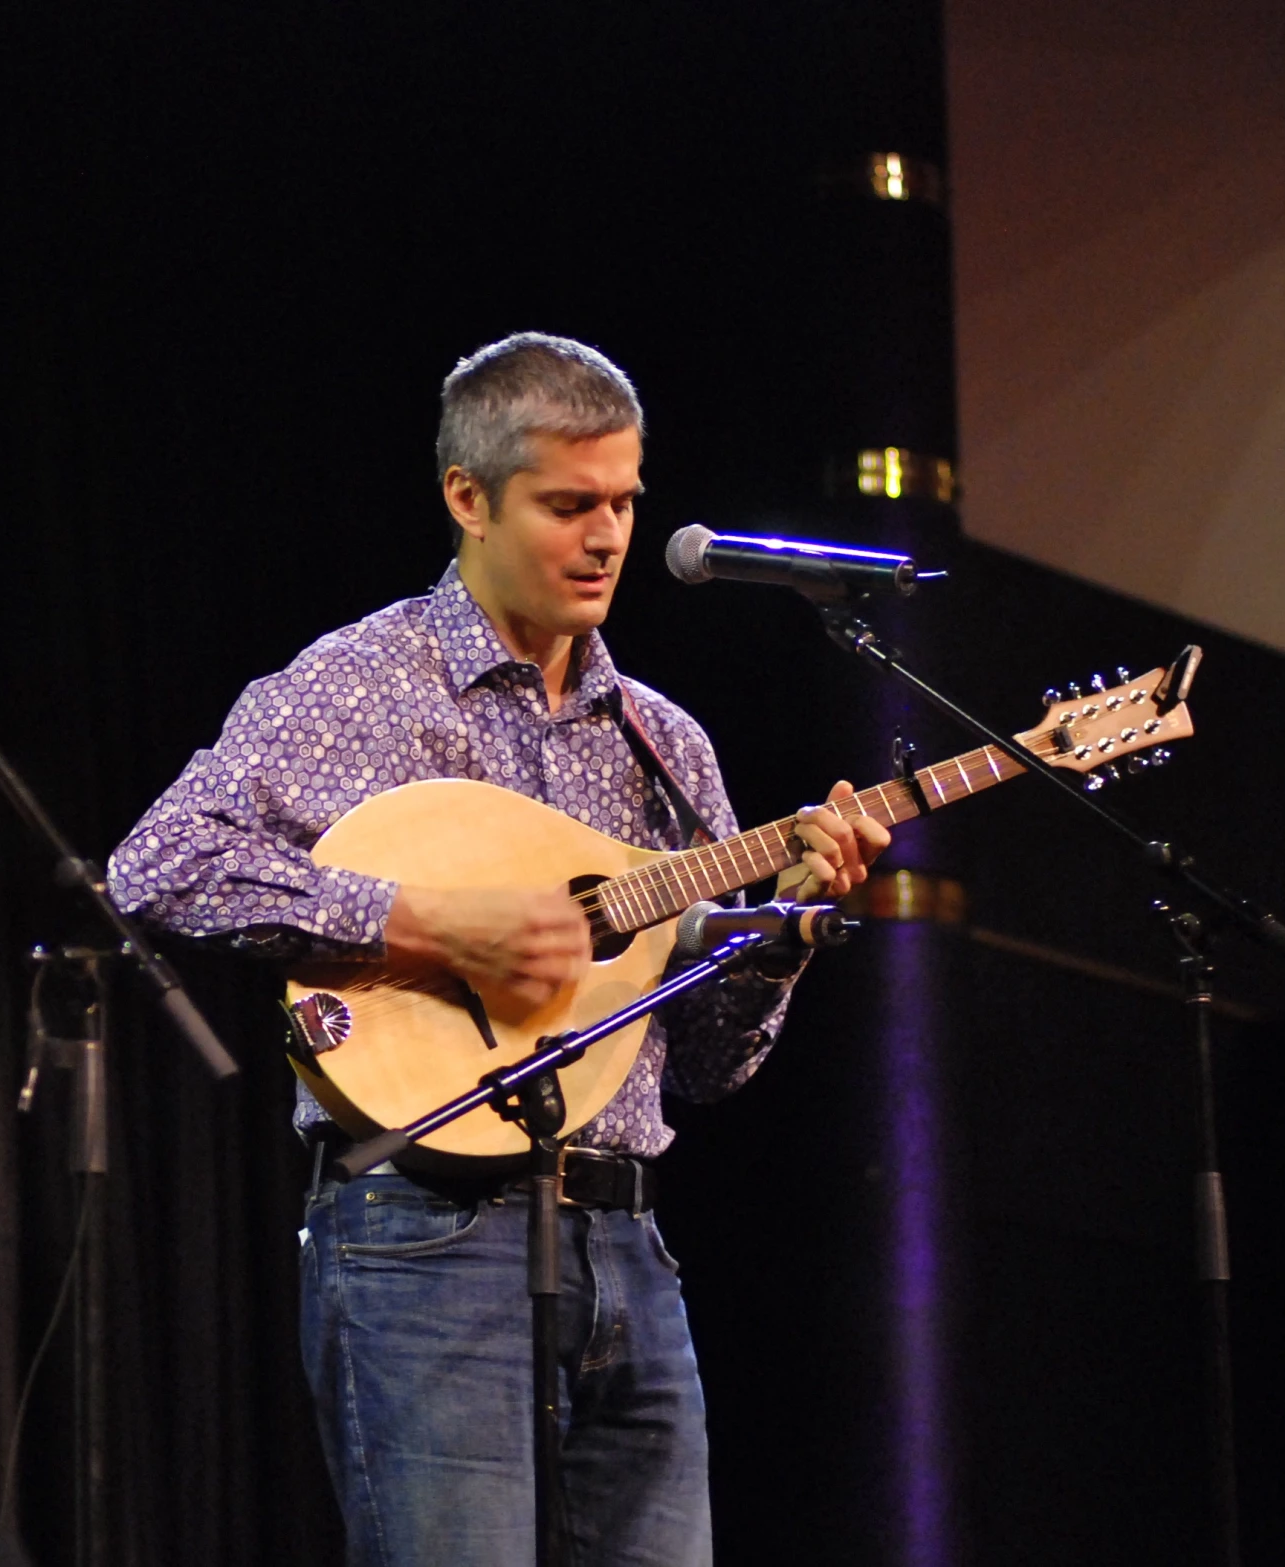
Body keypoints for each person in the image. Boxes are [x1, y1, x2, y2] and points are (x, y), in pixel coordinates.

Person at [108, 333, 890, 1565]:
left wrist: (774, 941)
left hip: (630, 1250)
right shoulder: (365, 684)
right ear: (466, 499)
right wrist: (429, 924)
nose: (608, 537)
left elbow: (703, 1064)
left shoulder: (666, 745)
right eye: (567, 504)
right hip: (425, 1237)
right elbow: (159, 864)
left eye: (625, 501)